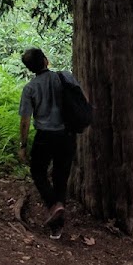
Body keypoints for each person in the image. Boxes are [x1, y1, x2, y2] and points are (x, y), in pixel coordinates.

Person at [17, 47, 81, 231]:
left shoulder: (30, 88)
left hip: (44, 136)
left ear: (30, 68)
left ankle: (54, 205)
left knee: (38, 172)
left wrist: (23, 145)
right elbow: (81, 99)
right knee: (61, 177)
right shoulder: (65, 77)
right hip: (67, 135)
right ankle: (57, 227)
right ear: (46, 60)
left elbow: (25, 120)